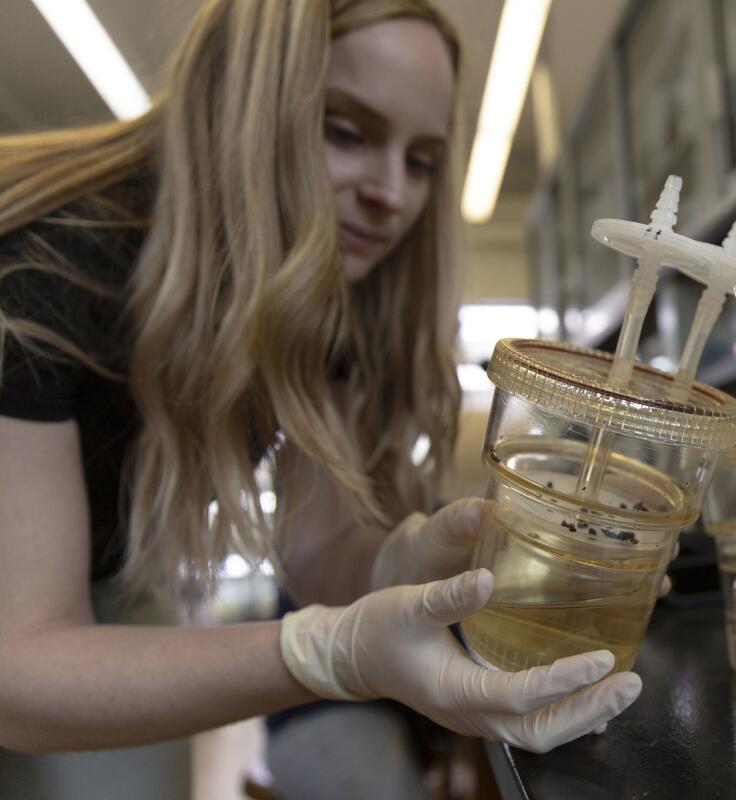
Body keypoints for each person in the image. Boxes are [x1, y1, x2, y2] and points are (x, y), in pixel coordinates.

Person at [0, 2, 642, 798]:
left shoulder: (309, 295)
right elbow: (18, 669)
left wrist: (408, 557)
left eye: (422, 160)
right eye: (345, 131)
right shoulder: (43, 274)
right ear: (237, 103)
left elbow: (316, 553)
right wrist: (326, 653)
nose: (391, 194)